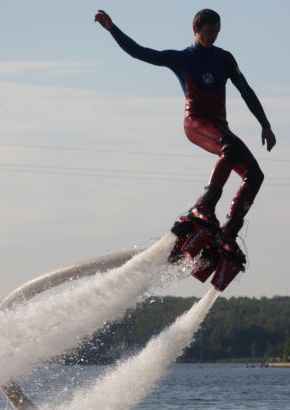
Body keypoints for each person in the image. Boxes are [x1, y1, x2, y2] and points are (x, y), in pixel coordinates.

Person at [94, 9, 276, 279]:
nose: (213, 37)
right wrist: (112, 29)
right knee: (230, 147)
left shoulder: (224, 58)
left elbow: (246, 91)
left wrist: (265, 124)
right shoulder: (182, 58)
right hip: (197, 123)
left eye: (217, 32)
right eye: (209, 31)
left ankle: (228, 231)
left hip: (220, 127)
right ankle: (204, 205)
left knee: (256, 175)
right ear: (196, 28)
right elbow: (139, 52)